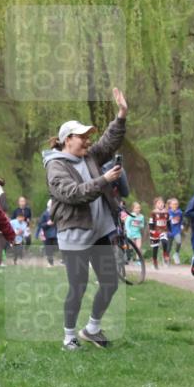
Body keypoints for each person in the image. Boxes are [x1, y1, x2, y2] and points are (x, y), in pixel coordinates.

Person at [42, 87, 128, 349]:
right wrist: (104, 180)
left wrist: (121, 115)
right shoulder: (55, 166)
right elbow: (72, 194)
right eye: (82, 137)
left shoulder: (88, 156)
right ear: (68, 139)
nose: (88, 141)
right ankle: (69, 336)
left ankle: (92, 328)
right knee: (77, 287)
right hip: (75, 235)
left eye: (88, 137)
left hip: (100, 231)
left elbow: (108, 141)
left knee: (110, 283)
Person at [148, 197, 169, 270]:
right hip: (155, 231)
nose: (161, 204)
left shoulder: (166, 212)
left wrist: (169, 229)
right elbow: (151, 222)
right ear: (155, 205)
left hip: (163, 230)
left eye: (162, 203)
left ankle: (165, 254)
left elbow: (168, 221)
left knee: (164, 241)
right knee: (155, 248)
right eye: (159, 203)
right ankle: (154, 261)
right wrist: (152, 230)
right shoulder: (153, 212)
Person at [35, 199, 59, 266]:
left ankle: (43, 249)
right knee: (49, 249)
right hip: (47, 234)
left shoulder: (57, 213)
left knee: (56, 247)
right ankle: (50, 263)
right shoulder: (45, 214)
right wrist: (47, 224)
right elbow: (41, 225)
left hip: (55, 234)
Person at [165, 197, 183, 264]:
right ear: (170, 205)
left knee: (179, 242)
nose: (175, 205)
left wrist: (181, 225)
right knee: (169, 246)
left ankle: (176, 254)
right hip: (169, 231)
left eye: (176, 204)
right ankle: (167, 259)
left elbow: (181, 220)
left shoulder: (180, 212)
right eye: (173, 204)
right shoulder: (167, 212)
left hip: (176, 230)